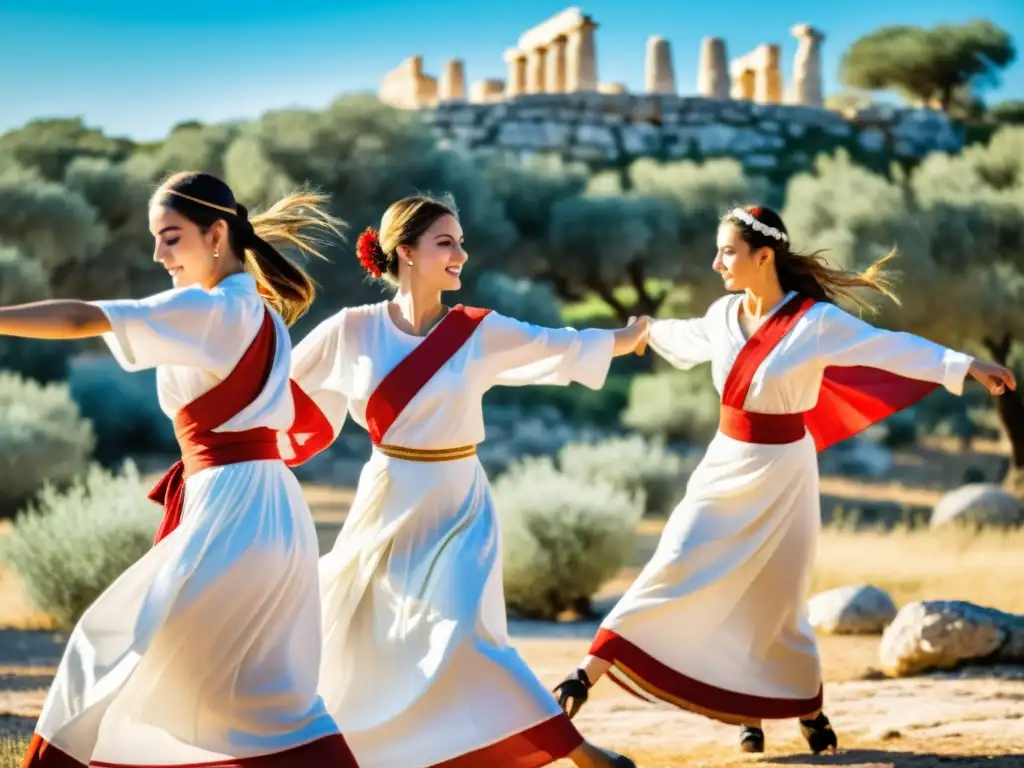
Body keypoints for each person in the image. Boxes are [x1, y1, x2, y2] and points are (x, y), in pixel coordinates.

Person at [552, 204, 1016, 755]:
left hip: (786, 471)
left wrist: (963, 365)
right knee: (675, 558)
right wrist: (645, 332)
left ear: (764, 256)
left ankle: (799, 710)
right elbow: (685, 335)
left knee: (777, 596)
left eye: (728, 251)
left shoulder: (816, 323)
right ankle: (585, 675)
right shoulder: (723, 316)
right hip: (726, 464)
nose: (717, 262)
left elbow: (889, 348)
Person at [9, 172, 360, 767]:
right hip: (271, 509)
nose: (157, 253)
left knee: (110, 651)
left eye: (170, 237)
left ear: (216, 233)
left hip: (231, 508)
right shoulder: (261, 313)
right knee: (256, 695)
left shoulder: (208, 308)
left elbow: (77, 319)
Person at [287, 194, 646, 768]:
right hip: (387, 499)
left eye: (460, 241)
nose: (462, 253)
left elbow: (560, 346)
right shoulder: (351, 329)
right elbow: (279, 389)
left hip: (459, 505)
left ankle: (580, 753)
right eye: (445, 243)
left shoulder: (479, 330)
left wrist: (630, 337)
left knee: (466, 636)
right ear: (405, 252)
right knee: (356, 631)